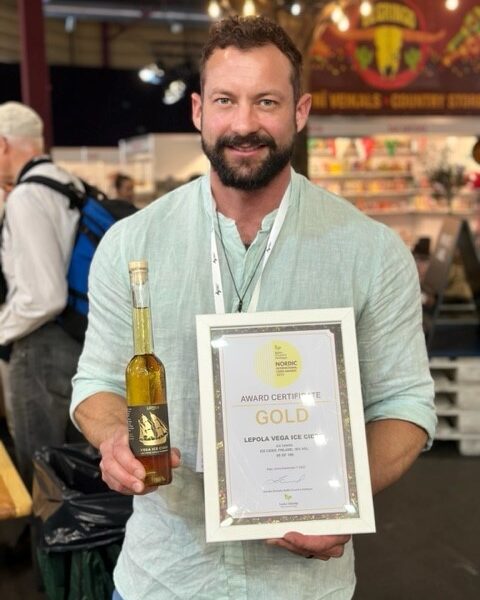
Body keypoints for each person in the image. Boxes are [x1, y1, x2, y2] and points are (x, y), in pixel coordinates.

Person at [71, 16, 436, 600]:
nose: (244, 124)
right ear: (198, 111)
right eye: (225, 100)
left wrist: (343, 495)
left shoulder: (370, 251)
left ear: (300, 111)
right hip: (164, 578)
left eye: (267, 101)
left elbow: (404, 403)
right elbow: (96, 382)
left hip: (303, 587)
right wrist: (116, 438)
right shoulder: (131, 244)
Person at [0, 101, 84, 488]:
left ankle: (44, 533)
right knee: (75, 471)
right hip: (76, 341)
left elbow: (44, 296)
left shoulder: (28, 196)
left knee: (43, 478)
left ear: (3, 145)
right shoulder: (68, 184)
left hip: (39, 352)